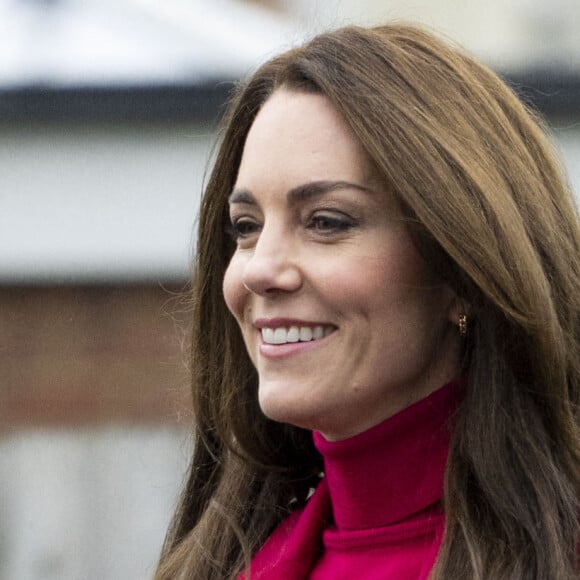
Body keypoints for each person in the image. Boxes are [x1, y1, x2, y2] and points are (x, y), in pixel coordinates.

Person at [155, 23, 580, 580]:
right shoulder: (225, 564)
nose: (260, 270)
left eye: (326, 222)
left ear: (460, 268)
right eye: (246, 226)